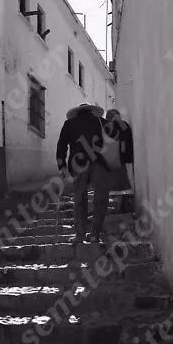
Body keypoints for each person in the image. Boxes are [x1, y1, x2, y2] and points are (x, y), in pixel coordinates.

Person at [56, 103, 111, 243]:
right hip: (100, 163)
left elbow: (61, 146)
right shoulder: (102, 122)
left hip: (79, 165)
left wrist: (62, 166)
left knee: (79, 199)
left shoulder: (69, 123)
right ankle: (94, 234)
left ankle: (79, 235)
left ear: (77, 113)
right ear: (92, 112)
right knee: (100, 199)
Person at [105, 109, 134, 209]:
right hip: (119, 158)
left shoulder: (110, 127)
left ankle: (120, 206)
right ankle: (122, 205)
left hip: (116, 158)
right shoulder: (119, 126)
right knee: (121, 181)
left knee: (119, 182)